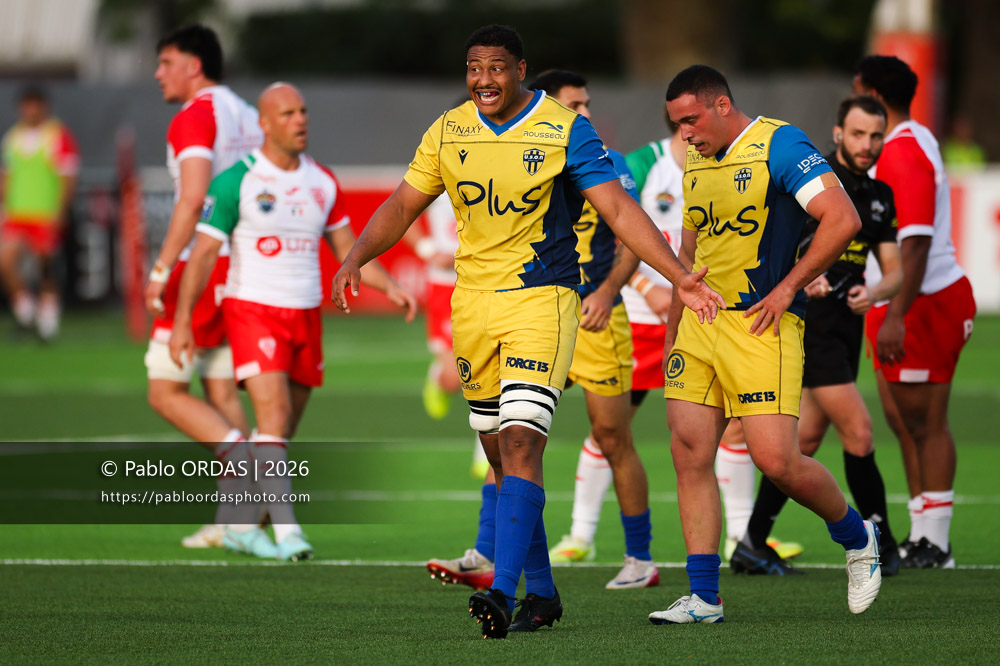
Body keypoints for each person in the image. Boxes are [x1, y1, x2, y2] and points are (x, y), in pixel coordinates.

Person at [331, 25, 724, 639]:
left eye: (495, 67)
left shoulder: (563, 128)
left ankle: (502, 592)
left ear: (520, 69)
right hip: (474, 309)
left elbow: (619, 210)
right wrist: (357, 255)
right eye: (473, 67)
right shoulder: (448, 129)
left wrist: (678, 276)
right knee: (500, 458)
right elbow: (404, 204)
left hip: (542, 302)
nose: (483, 79)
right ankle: (541, 593)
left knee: (521, 443)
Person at [647, 65, 881, 626]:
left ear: (721, 105)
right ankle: (704, 597)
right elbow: (690, 249)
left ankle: (857, 536)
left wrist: (787, 290)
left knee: (777, 460)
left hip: (761, 324)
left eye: (691, 120)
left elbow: (842, 218)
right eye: (676, 124)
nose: (684, 134)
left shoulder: (780, 144)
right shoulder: (698, 159)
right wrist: (676, 325)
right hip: (701, 325)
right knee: (688, 453)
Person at [426, 69, 660, 592]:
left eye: (588, 104)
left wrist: (604, 293)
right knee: (509, 440)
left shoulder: (608, 165)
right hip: (530, 315)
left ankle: (640, 557)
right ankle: (488, 552)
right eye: (575, 106)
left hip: (595, 319)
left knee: (612, 436)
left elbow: (629, 237)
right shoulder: (515, 157)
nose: (586, 115)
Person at [169, 82, 417, 560]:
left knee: (280, 431)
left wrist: (391, 288)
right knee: (274, 418)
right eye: (287, 113)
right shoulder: (234, 181)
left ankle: (242, 526)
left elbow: (350, 250)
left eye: (302, 111)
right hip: (253, 310)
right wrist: (183, 320)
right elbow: (201, 257)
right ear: (263, 122)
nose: (299, 120)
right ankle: (288, 534)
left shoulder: (321, 181)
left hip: (306, 315)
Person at [735, 94, 904, 576]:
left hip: (848, 327)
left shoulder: (879, 196)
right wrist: (804, 275)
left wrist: (877, 290)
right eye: (857, 134)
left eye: (875, 136)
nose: (867, 145)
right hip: (812, 325)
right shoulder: (812, 179)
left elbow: (893, 271)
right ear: (837, 134)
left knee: (803, 440)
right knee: (860, 431)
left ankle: (751, 541)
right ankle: (880, 542)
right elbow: (776, 243)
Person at [854, 55, 977, 568]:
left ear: (875, 96)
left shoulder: (903, 151)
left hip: (923, 302)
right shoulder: (913, 139)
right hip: (902, 300)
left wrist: (898, 314)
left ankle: (937, 540)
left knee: (925, 422)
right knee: (903, 422)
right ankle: (923, 532)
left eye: (859, 90)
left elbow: (918, 241)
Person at [144, 25, 262, 550]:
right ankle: (237, 517)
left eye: (166, 61)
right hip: (237, 264)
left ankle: (252, 471)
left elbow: (192, 198)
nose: (158, 73)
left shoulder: (194, 113)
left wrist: (162, 266)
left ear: (194, 65)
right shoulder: (243, 109)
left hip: (200, 263)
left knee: (165, 391)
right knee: (218, 388)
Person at [0, 86, 79, 341]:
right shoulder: (12, 138)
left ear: (44, 107)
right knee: (6, 261)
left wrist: (61, 210)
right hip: (16, 213)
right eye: (26, 105)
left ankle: (47, 322)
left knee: (46, 269)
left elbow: (67, 177)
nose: (30, 110)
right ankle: (26, 311)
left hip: (45, 214)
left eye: (35, 105)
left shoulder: (58, 135)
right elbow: (7, 177)